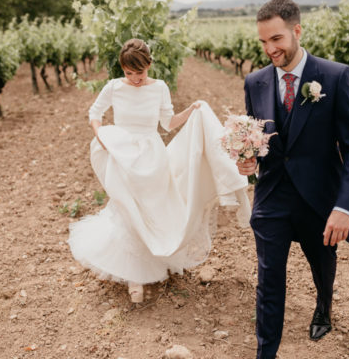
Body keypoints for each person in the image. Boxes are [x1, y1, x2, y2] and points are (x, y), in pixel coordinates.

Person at [68, 39, 251, 303]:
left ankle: (155, 257)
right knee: (129, 208)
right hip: (122, 151)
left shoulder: (160, 88)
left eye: (139, 73)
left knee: (152, 208)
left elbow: (166, 124)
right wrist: (102, 136)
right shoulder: (114, 87)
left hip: (152, 155)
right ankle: (134, 275)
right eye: (128, 73)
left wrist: (191, 111)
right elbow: (94, 113)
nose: (134, 79)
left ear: (149, 65)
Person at [237, 0, 349, 357]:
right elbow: (256, 141)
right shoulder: (254, 81)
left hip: (320, 201)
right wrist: (245, 162)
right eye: (263, 42)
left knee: (322, 265)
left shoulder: (335, 76)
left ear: (297, 31)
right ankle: (266, 352)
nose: (269, 49)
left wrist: (345, 207)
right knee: (268, 282)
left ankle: (324, 306)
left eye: (276, 39)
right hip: (272, 198)